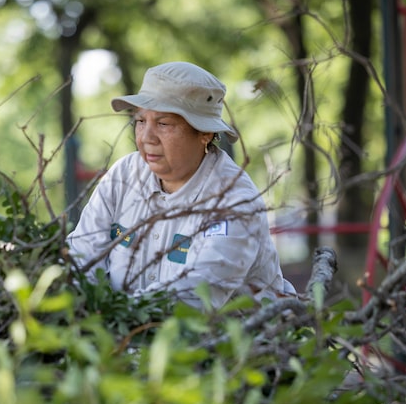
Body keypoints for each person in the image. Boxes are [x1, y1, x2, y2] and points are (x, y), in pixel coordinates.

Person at [67, 61, 293, 309]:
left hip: (239, 344)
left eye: (163, 124)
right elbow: (81, 257)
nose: (146, 137)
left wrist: (114, 315)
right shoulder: (122, 176)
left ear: (204, 133)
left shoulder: (234, 200)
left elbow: (196, 297)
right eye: (141, 121)